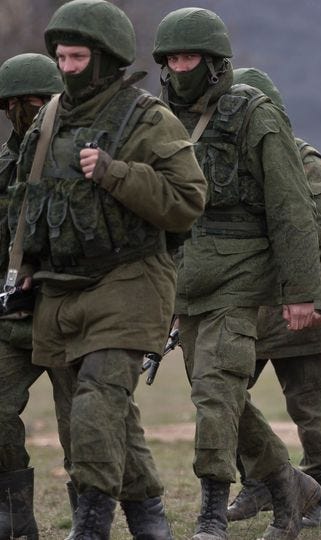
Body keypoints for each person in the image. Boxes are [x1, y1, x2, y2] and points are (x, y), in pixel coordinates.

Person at [9, 0, 208, 537]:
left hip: (130, 280)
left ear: (105, 58)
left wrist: (117, 173)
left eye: (77, 57)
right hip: (60, 288)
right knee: (101, 414)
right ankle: (149, 519)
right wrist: (23, 262)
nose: (67, 67)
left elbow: (188, 201)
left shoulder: (148, 119)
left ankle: (91, 525)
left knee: (98, 405)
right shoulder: (48, 121)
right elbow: (27, 201)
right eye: (62, 57)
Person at [153, 7, 321, 539]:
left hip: (241, 275)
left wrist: (301, 291)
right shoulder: (158, 119)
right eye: (173, 58)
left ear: (215, 62)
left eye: (191, 57)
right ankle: (290, 486)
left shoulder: (255, 115)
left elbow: (292, 208)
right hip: (185, 279)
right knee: (227, 398)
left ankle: (211, 513)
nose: (181, 67)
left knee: (214, 392)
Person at [222, 67, 321, 528]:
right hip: (242, 308)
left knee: (308, 406)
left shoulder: (303, 161)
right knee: (223, 398)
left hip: (299, 309)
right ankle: (259, 480)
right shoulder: (222, 165)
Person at [0, 51, 73, 540]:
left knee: (84, 425)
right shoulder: (5, 164)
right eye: (14, 104)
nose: (24, 112)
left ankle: (90, 517)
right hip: (13, 316)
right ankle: (14, 515)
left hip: (71, 309)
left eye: (35, 102)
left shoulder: (78, 154)